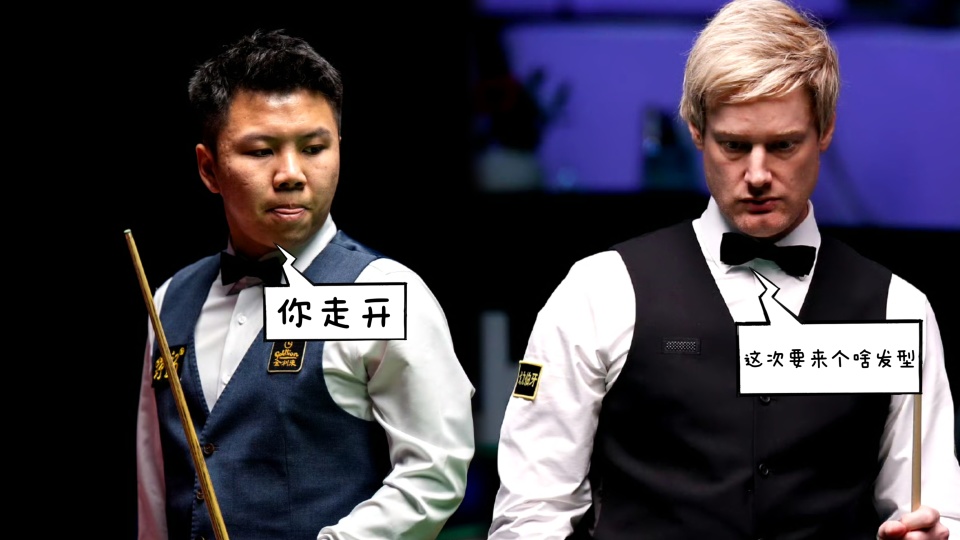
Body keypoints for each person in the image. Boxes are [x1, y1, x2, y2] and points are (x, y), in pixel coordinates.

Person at [487, 1, 960, 539]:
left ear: (825, 130)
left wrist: (931, 532)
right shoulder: (599, 292)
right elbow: (532, 514)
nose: (757, 174)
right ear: (696, 130)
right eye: (734, 146)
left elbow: (934, 505)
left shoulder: (899, 311)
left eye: (783, 145)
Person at [135, 29, 475, 540]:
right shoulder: (169, 298)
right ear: (209, 168)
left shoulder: (383, 292)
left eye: (314, 148)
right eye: (260, 151)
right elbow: (154, 482)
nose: (291, 174)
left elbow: (433, 475)